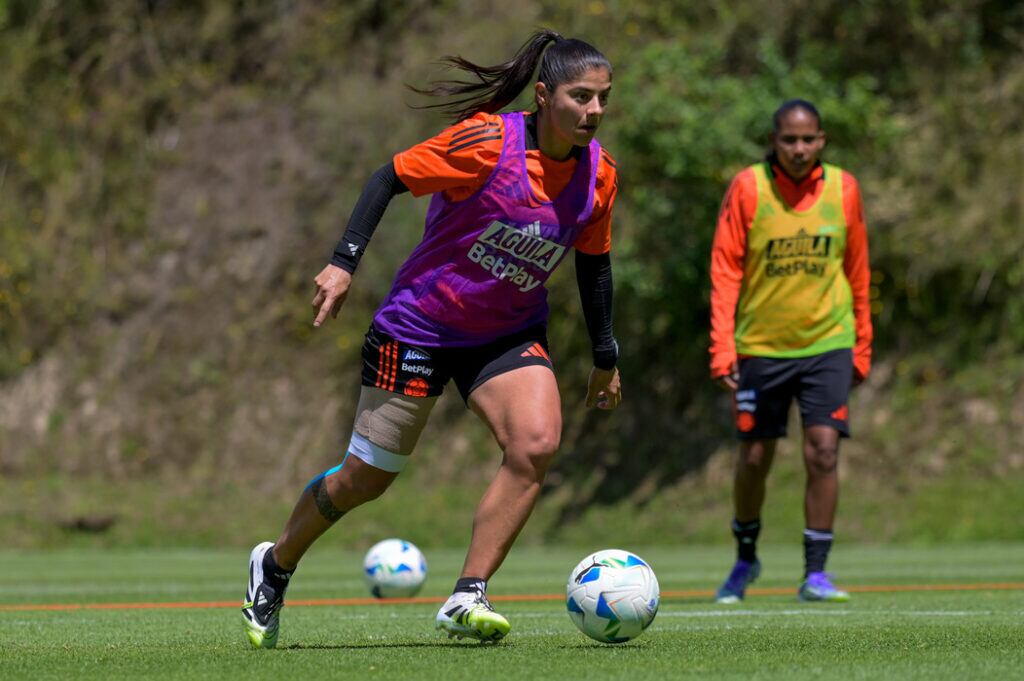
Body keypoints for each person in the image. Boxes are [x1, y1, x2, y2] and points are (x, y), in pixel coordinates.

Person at [241, 30, 622, 648]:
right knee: (366, 478)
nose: (595, 112)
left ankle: (467, 595)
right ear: (546, 95)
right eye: (581, 97)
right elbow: (386, 177)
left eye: (603, 98)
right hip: (419, 327)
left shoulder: (599, 176)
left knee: (535, 444)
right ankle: (275, 563)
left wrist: (605, 355)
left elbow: (594, 263)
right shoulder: (487, 142)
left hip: (505, 333)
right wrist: (343, 262)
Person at [708, 99, 872, 603]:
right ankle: (745, 559)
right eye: (789, 140)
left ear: (822, 140)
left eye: (808, 139)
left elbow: (858, 267)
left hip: (829, 343)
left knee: (823, 451)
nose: (799, 149)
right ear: (774, 141)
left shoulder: (844, 188)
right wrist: (722, 347)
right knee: (755, 456)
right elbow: (725, 270)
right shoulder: (749, 187)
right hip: (761, 347)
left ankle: (815, 574)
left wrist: (862, 342)